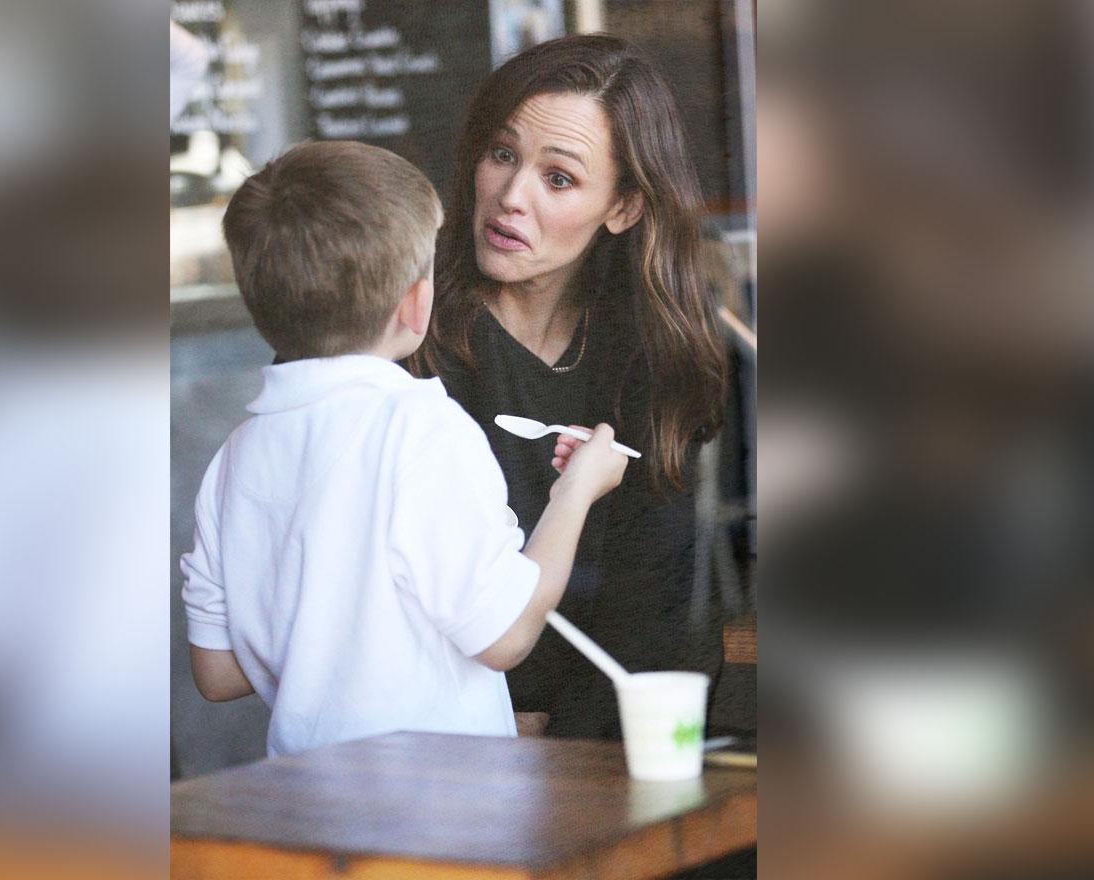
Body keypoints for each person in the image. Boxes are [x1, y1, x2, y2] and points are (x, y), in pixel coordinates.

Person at [180, 140, 629, 757]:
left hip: (305, 811)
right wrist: (575, 491)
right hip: (445, 814)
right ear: (417, 305)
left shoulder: (233, 457)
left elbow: (218, 670)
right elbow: (503, 636)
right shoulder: (422, 427)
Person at [409, 34, 730, 740]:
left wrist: (558, 751)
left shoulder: (653, 350)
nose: (510, 198)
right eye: (502, 155)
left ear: (622, 209)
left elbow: (650, 600)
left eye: (558, 179)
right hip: (436, 732)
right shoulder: (402, 321)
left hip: (613, 728)